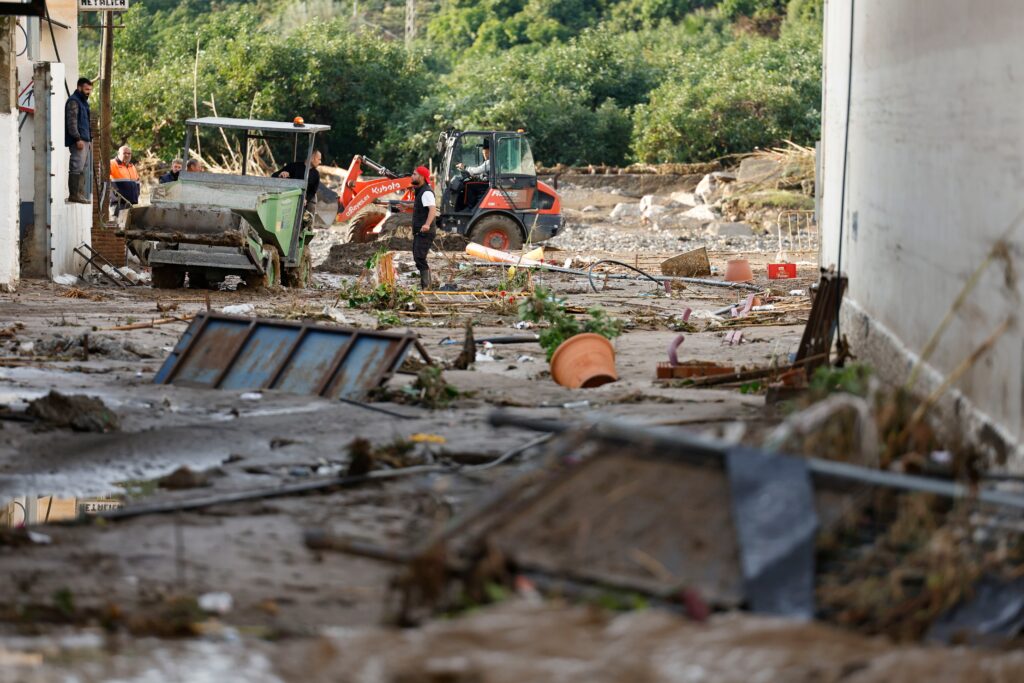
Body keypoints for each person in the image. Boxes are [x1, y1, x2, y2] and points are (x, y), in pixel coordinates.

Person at [65, 78, 93, 204]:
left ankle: (79, 194)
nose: (89, 92)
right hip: (79, 140)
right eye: (87, 89)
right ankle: (74, 195)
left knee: (82, 168)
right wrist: (77, 138)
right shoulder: (74, 101)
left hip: (85, 139)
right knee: (76, 167)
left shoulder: (83, 102)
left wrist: (90, 140)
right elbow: (72, 122)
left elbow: (86, 123)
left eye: (90, 90)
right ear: (79, 87)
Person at [410, 165, 437, 289]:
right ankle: (427, 285)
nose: (412, 176)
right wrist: (406, 208)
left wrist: (427, 224)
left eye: (414, 174)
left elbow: (432, 209)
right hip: (420, 231)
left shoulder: (426, 192)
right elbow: (421, 207)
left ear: (421, 177)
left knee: (420, 257)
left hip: (425, 231)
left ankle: (427, 286)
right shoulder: (420, 191)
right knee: (418, 257)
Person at [109, 145, 141, 215]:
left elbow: (137, 182)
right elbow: (103, 179)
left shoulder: (132, 166)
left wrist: (137, 194)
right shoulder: (112, 163)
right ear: (118, 154)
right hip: (118, 204)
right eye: (124, 153)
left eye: (129, 153)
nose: (127, 155)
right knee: (117, 224)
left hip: (130, 203)